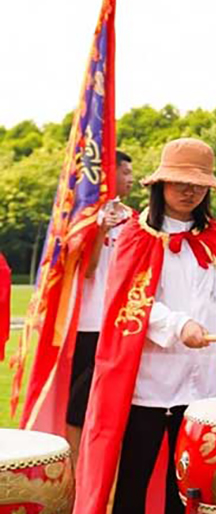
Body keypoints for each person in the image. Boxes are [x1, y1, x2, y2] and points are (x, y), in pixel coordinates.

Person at [73, 138, 216, 514]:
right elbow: (128, 303)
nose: (189, 191)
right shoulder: (135, 235)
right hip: (147, 386)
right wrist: (177, 325)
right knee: (133, 481)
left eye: (198, 183)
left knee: (189, 486)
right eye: (180, 182)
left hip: (202, 386)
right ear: (160, 185)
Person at [65, 150, 134, 468]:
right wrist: (99, 229)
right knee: (79, 406)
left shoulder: (135, 219)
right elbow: (87, 270)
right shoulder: (82, 218)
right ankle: (74, 474)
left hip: (122, 325)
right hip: (89, 324)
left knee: (116, 405)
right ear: (109, 174)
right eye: (126, 171)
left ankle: (105, 476)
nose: (131, 178)